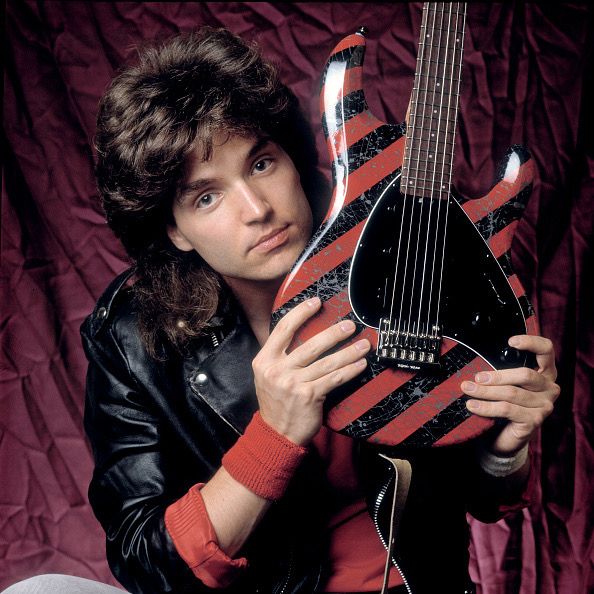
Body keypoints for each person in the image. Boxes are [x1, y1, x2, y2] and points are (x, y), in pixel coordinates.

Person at [3, 26, 559, 594]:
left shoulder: (406, 260)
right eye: (206, 196)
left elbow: (474, 498)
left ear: (294, 160)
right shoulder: (130, 334)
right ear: (176, 230)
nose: (257, 209)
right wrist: (274, 435)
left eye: (262, 163)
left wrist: (504, 447)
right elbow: (146, 561)